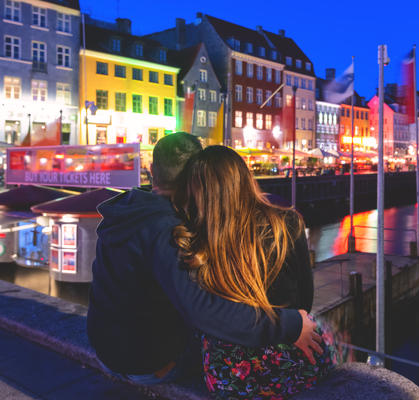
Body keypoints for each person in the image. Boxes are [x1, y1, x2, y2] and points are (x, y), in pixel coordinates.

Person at [87, 133, 322, 385]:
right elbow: (205, 310)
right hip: (147, 364)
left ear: (152, 169)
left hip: (105, 349)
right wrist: (290, 324)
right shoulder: (169, 229)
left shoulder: (130, 210)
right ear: (197, 176)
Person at [173, 146, 338, 399]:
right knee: (329, 337)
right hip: (287, 355)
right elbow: (305, 300)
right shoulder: (287, 224)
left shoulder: (193, 240)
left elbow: (199, 309)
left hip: (228, 373)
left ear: (198, 190)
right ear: (244, 178)